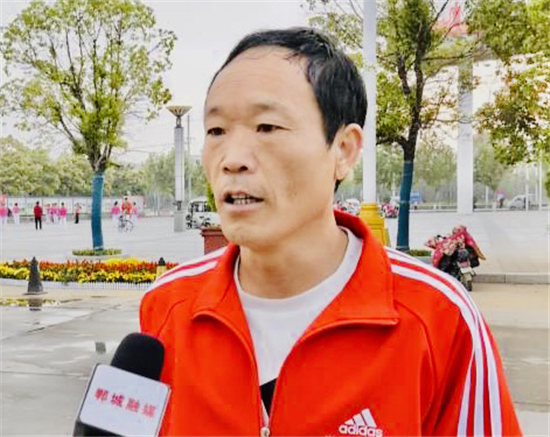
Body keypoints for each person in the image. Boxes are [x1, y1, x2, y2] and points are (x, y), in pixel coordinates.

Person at [140, 28, 521, 436]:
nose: (232, 159)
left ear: (344, 150)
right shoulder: (167, 307)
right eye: (216, 131)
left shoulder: (438, 316)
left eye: (267, 127)